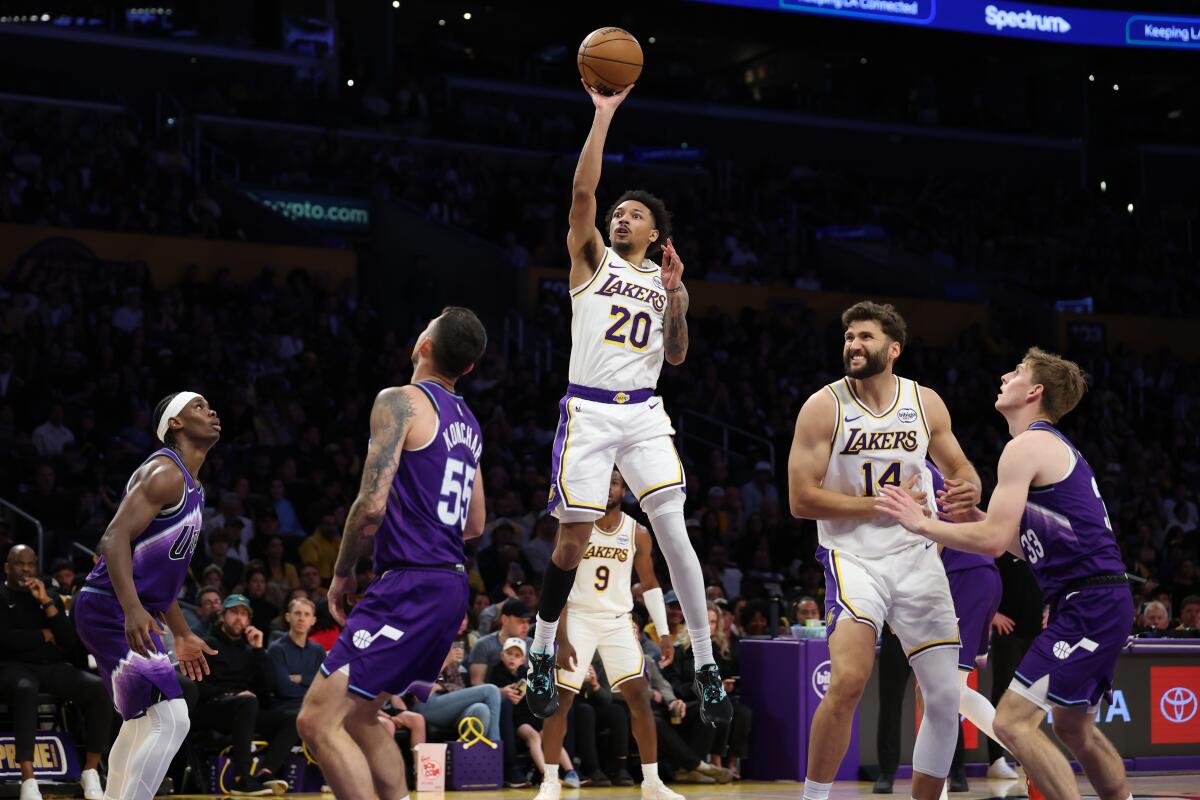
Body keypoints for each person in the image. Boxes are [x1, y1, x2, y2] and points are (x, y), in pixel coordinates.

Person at [526, 77, 731, 727]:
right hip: (588, 410)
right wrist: (603, 114)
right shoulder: (591, 260)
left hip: (643, 410)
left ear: (657, 233)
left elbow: (675, 356)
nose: (622, 216)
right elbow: (583, 193)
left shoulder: (666, 282)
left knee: (672, 527)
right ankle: (538, 647)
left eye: (635, 214)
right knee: (572, 541)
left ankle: (703, 662)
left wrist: (675, 296)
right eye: (620, 212)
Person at [877, 347, 1134, 800]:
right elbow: (1022, 541)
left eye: (1016, 372)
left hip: (1090, 600)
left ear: (1034, 391)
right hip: (1094, 598)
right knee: (1075, 728)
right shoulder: (1045, 447)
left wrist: (920, 523)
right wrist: (976, 514)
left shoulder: (1027, 445)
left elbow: (995, 543)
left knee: (1013, 722)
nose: (1005, 375)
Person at [788, 302, 982, 800]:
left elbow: (960, 468)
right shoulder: (824, 405)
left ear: (893, 348)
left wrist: (968, 488)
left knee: (942, 699)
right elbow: (801, 499)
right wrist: (879, 505)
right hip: (852, 558)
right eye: (849, 336)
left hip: (917, 557)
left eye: (865, 337)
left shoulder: (925, 402)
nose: (853, 344)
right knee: (849, 680)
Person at [296, 307, 488, 800]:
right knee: (360, 717)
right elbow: (475, 524)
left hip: (411, 583)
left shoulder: (400, 401)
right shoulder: (468, 422)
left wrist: (341, 574)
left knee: (316, 721)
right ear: (466, 368)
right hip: (449, 584)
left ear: (425, 344)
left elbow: (370, 504)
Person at [72, 392, 221, 800]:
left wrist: (183, 633)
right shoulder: (164, 472)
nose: (211, 412)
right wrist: (132, 609)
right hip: (109, 605)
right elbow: (114, 537)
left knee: (142, 722)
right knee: (172, 720)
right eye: (199, 407)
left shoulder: (195, 487)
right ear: (174, 423)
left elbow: (159, 576)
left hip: (124, 606)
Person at [535, 468, 684, 800]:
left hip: (618, 619)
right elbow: (556, 582)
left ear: (624, 490)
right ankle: (550, 782)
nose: (607, 489)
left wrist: (662, 632)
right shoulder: (573, 525)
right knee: (560, 702)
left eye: (614, 484)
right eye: (602, 482)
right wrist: (560, 636)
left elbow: (650, 584)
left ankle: (652, 783)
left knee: (640, 698)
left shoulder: (638, 532)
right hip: (578, 617)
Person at [0, 546, 112, 800]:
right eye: (20, 564)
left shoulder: (46, 595)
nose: (26, 569)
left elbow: (68, 641)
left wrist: (47, 603)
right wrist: (42, 635)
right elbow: (5, 641)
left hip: (49, 667)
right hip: (10, 668)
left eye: (31, 564)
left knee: (98, 689)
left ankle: (90, 771)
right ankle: (28, 779)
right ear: (8, 567)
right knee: (25, 689)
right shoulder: (1, 595)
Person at [197, 594, 298, 795]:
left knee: (294, 718)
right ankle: (242, 778)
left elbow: (268, 687)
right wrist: (229, 693)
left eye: (244, 614)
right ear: (222, 617)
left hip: (245, 709)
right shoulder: (207, 643)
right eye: (234, 612)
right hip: (214, 707)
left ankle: (265, 772)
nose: (239, 618)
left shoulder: (250, 650)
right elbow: (197, 684)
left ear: (249, 621)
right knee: (248, 702)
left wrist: (259, 650)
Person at [267, 597, 325, 712]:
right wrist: (312, 683)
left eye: (306, 614)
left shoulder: (318, 650)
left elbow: (324, 686)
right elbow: (285, 690)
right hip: (287, 707)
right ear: (288, 617)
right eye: (297, 613)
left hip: (314, 707)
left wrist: (301, 678)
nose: (301, 619)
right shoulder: (276, 649)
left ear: (313, 620)